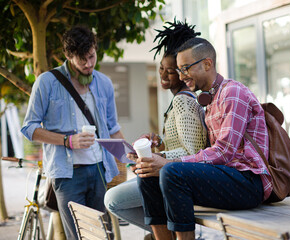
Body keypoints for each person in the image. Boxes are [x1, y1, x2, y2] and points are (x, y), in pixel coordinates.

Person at [132, 37, 273, 240]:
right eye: (179, 70)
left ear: (207, 64)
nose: (181, 76)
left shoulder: (232, 93)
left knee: (171, 171)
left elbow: (224, 152)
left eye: (185, 68)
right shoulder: (209, 100)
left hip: (249, 182)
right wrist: (159, 152)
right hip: (224, 176)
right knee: (147, 173)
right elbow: (205, 152)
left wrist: (169, 162)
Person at [104, 20, 208, 234]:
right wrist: (158, 144)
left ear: (181, 72)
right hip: (169, 174)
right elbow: (182, 142)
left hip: (179, 178)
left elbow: (194, 152)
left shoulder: (183, 101)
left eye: (169, 72)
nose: (162, 75)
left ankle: (169, 235)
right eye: (160, 68)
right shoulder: (178, 100)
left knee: (112, 199)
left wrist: (154, 158)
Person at [21, 25, 124, 239]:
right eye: (82, 59)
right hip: (67, 175)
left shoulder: (104, 83)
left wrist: (130, 154)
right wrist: (68, 140)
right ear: (68, 56)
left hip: (99, 170)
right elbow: (29, 128)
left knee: (101, 235)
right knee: (77, 235)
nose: (88, 64)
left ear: (95, 49)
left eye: (92, 57)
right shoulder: (47, 83)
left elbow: (112, 128)